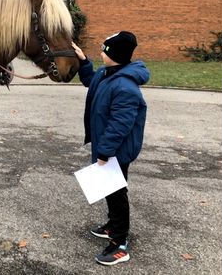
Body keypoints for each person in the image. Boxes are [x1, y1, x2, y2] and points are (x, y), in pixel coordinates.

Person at [71, 31, 150, 266]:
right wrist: (83, 60)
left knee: (117, 193)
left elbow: (120, 125)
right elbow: (90, 80)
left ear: (112, 55)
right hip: (108, 147)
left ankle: (119, 243)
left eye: (103, 50)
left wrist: (104, 152)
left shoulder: (125, 86)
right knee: (110, 189)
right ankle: (112, 226)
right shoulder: (107, 74)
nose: (100, 52)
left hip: (116, 150)